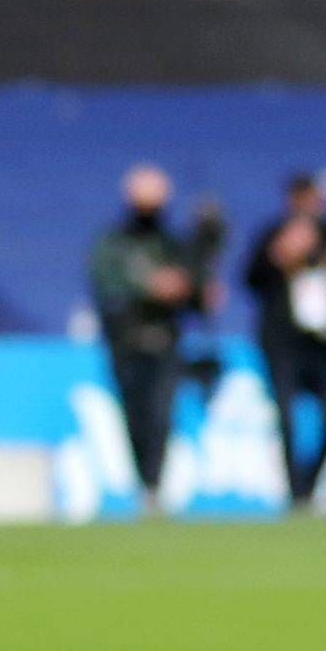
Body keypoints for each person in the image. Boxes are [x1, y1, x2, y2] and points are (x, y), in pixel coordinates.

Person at [87, 164, 221, 512]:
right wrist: (149, 287)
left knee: (161, 413)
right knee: (135, 414)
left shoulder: (172, 244)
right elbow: (106, 284)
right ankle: (143, 483)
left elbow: (193, 290)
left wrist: (197, 292)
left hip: (165, 338)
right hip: (127, 340)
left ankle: (154, 486)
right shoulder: (114, 242)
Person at [245, 174, 326, 508]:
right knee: (287, 417)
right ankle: (295, 492)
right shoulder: (274, 235)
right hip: (283, 342)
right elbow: (250, 280)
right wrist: (278, 256)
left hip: (325, 343)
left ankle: (310, 484)